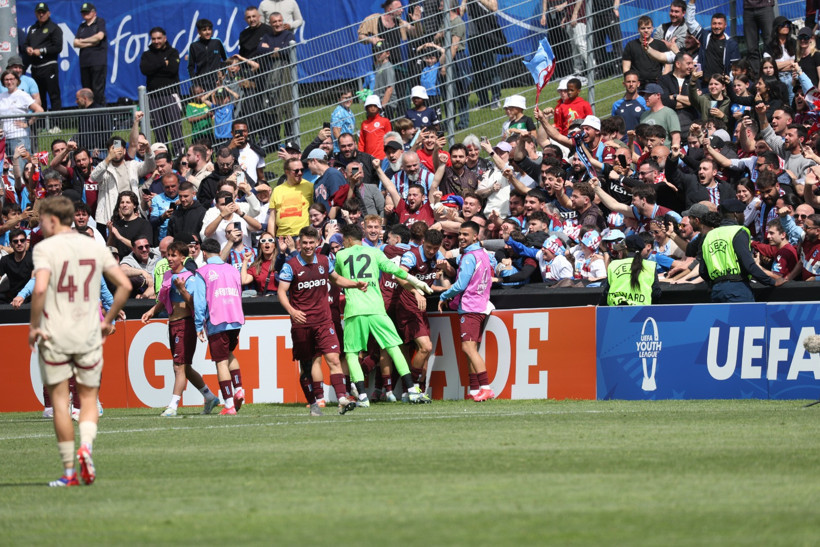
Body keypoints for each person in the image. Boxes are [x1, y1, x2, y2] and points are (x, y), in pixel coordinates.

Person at [29, 196, 131, 486]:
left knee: (61, 402)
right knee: (88, 398)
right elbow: (123, 285)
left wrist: (33, 326)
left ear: (51, 220)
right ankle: (86, 446)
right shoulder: (93, 245)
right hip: (88, 332)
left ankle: (69, 472)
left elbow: (39, 290)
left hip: (55, 331)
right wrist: (107, 319)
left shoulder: (45, 248)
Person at [334, 223, 433, 406]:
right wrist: (417, 283)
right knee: (394, 347)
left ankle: (362, 397)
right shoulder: (375, 252)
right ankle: (411, 390)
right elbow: (395, 270)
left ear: (347, 240)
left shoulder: (340, 255)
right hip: (377, 308)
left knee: (352, 353)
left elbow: (338, 279)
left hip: (354, 309)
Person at [278, 226, 367, 415]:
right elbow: (281, 292)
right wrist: (292, 311)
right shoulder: (291, 265)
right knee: (307, 365)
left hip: (324, 321)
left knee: (334, 358)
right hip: (302, 323)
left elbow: (335, 279)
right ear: (299, 244)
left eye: (312, 243)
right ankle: (314, 402)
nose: (308, 246)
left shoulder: (325, 261)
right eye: (305, 243)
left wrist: (355, 284)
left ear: (318, 242)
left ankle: (342, 399)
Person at [141, 241, 221, 417]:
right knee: (185, 367)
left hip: (186, 324)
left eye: (173, 255)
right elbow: (163, 300)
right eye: (168, 255)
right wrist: (151, 311)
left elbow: (195, 304)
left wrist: (183, 289)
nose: (169, 258)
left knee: (179, 367)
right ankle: (209, 397)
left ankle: (173, 406)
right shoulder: (168, 275)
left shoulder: (190, 277)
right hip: (173, 324)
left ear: (183, 258)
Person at [438, 221, 495, 401]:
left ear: (475, 236)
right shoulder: (483, 254)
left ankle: (486, 388)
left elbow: (461, 284)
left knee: (468, 347)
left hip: (470, 306)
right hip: (480, 304)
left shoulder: (470, 256)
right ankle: (474, 389)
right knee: (472, 348)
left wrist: (444, 295)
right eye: (460, 234)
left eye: (466, 235)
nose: (462, 238)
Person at [192, 238, 247, 415]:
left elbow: (199, 302)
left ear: (205, 254)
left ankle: (229, 404)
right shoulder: (232, 270)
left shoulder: (203, 272)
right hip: (235, 318)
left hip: (217, 320)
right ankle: (239, 389)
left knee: (220, 362)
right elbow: (238, 293)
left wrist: (198, 324)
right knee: (229, 354)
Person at [698, 199, 778, 302]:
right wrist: (771, 282)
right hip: (737, 289)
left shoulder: (709, 236)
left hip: (717, 291)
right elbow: (748, 264)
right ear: (736, 214)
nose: (744, 216)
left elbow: (703, 271)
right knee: (746, 318)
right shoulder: (738, 231)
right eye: (742, 213)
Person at [140, 27, 184, 155]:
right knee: (159, 130)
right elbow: (145, 70)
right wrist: (162, 63)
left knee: (175, 128)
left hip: (170, 95)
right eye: (153, 39)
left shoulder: (173, 52)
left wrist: (156, 66)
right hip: (153, 97)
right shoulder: (146, 55)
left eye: (159, 38)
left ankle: (179, 156)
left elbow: (172, 69)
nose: (156, 41)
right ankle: (163, 156)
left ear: (165, 38)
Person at [600, 233, 661, 305]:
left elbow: (606, 291)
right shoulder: (650, 266)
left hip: (615, 311)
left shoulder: (613, 264)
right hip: (642, 311)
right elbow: (656, 293)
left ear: (625, 248)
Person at [23, 2, 63, 111]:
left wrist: (41, 51)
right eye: (39, 12)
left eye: (43, 12)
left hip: (49, 66)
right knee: (39, 96)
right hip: (35, 68)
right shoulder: (33, 28)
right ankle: (41, 124)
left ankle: (57, 124)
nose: (41, 15)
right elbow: (26, 43)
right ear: (35, 13)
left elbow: (58, 47)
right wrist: (28, 49)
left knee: (53, 95)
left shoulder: (54, 28)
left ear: (48, 13)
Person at [0, 70, 44, 157]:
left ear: (17, 80)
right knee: (8, 169)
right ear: (3, 82)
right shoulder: (1, 96)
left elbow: (39, 110)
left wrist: (27, 124)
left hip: (19, 137)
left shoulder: (22, 95)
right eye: (6, 79)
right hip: (4, 138)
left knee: (20, 168)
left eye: (12, 79)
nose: (9, 82)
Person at [73, 3, 108, 107]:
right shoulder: (82, 26)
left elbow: (99, 37)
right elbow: (75, 43)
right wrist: (91, 43)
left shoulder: (99, 22)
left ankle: (101, 115)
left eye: (87, 12)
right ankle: (89, 117)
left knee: (98, 91)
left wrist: (83, 41)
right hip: (85, 63)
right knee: (86, 92)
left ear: (94, 12)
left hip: (98, 62)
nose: (85, 14)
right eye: (83, 12)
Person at [268, 157, 313, 236]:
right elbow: (272, 218)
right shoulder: (277, 190)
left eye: (302, 170)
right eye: (296, 171)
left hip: (304, 236)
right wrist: (271, 239)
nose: (300, 173)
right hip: (282, 238)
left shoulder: (309, 186)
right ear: (287, 172)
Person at [187, 18, 227, 89]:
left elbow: (226, 59)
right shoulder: (194, 46)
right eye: (204, 30)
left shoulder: (217, 42)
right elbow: (191, 67)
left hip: (218, 82)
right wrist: (196, 84)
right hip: (202, 85)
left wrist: (223, 74)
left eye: (209, 29)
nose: (207, 32)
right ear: (199, 31)